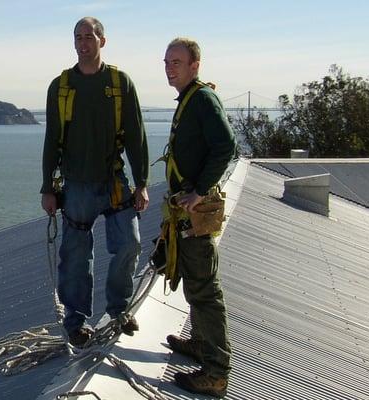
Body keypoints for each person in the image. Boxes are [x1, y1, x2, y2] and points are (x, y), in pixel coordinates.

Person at [40, 17, 149, 347]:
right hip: (76, 186)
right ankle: (75, 323)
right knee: (75, 256)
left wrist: (142, 182)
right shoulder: (61, 87)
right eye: (78, 37)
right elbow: (52, 139)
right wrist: (48, 187)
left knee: (129, 244)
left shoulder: (119, 83)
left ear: (103, 41)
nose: (83, 43)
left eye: (89, 37)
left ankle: (119, 309)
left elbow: (136, 135)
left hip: (114, 181)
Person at [160, 37, 235, 397]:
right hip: (187, 210)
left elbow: (226, 145)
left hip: (196, 210)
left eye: (177, 62)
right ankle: (201, 342)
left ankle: (217, 371)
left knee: (205, 291)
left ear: (194, 65)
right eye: (167, 62)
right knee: (195, 281)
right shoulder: (190, 99)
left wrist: (200, 190)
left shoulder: (202, 99)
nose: (170, 68)